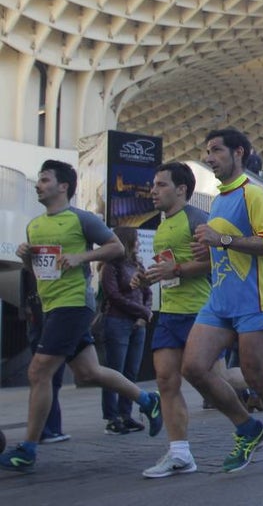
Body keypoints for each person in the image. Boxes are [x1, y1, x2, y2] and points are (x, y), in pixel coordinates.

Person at [1, 160, 162, 473]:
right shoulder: (35, 226)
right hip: (50, 306)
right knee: (89, 372)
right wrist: (25, 260)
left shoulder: (81, 219)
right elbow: (38, 272)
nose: (38, 185)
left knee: (38, 372)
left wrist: (81, 257)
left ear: (63, 186)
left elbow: (115, 248)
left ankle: (28, 449)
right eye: (39, 179)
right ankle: (147, 400)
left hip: (74, 304)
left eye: (45, 179)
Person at [181, 128, 263, 474]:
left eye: (216, 150)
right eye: (207, 151)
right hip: (221, 300)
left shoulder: (253, 195)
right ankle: (248, 428)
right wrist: (204, 252)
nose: (209, 157)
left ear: (238, 152)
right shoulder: (218, 199)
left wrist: (221, 239)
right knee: (194, 368)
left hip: (256, 300)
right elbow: (226, 250)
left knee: (257, 376)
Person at [134, 161, 213, 478]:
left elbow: (212, 262)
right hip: (168, 311)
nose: (153, 191)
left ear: (181, 189)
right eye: (154, 185)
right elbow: (167, 268)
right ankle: (180, 453)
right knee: (166, 379)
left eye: (161, 185)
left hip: (200, 310)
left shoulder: (196, 219)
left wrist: (176, 270)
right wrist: (147, 279)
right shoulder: (161, 224)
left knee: (213, 380)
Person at [99, 226, 152, 434]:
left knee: (131, 372)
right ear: (127, 241)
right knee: (115, 372)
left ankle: (126, 414)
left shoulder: (137, 264)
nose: (138, 243)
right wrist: (142, 311)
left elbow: (147, 291)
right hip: (117, 322)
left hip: (138, 325)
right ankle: (112, 417)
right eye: (136, 239)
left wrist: (144, 314)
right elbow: (113, 295)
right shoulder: (112, 265)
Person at [19, 268, 69, 443]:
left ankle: (49, 429)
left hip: (50, 315)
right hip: (49, 316)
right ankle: (47, 430)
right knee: (46, 377)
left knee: (46, 377)